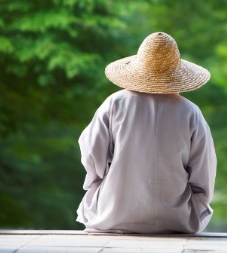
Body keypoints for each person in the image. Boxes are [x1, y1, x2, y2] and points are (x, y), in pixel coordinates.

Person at [76, 32, 217, 234]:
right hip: (178, 218)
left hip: (113, 213)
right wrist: (197, 201)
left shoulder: (114, 104)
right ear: (176, 72)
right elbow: (204, 172)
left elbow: (91, 154)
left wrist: (102, 181)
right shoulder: (190, 112)